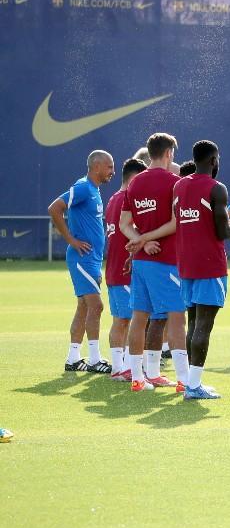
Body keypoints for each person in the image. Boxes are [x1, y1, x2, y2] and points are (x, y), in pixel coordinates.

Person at [120, 134, 189, 392]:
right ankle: (184, 380)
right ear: (169, 152)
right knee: (176, 318)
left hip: (141, 262)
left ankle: (138, 378)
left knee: (139, 317)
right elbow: (174, 223)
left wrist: (140, 240)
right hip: (165, 260)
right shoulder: (175, 182)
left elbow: (124, 224)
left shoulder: (134, 183)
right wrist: (146, 239)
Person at [174, 141, 230, 399]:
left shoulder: (179, 185)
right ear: (214, 160)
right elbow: (222, 232)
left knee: (193, 321)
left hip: (186, 263)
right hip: (210, 265)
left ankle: (192, 382)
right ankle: (193, 387)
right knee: (204, 324)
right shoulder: (217, 188)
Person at [48, 149, 115, 374]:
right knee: (97, 306)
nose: (112, 172)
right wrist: (72, 240)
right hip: (82, 259)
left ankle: (73, 358)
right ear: (96, 166)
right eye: (109, 167)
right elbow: (54, 208)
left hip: (92, 259)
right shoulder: (84, 188)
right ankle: (95, 360)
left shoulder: (93, 190)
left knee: (85, 307)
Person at [103, 158, 147, 381]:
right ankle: (125, 367)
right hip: (123, 271)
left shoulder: (113, 199)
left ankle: (119, 367)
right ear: (135, 178)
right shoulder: (127, 200)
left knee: (121, 320)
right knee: (130, 320)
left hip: (114, 270)